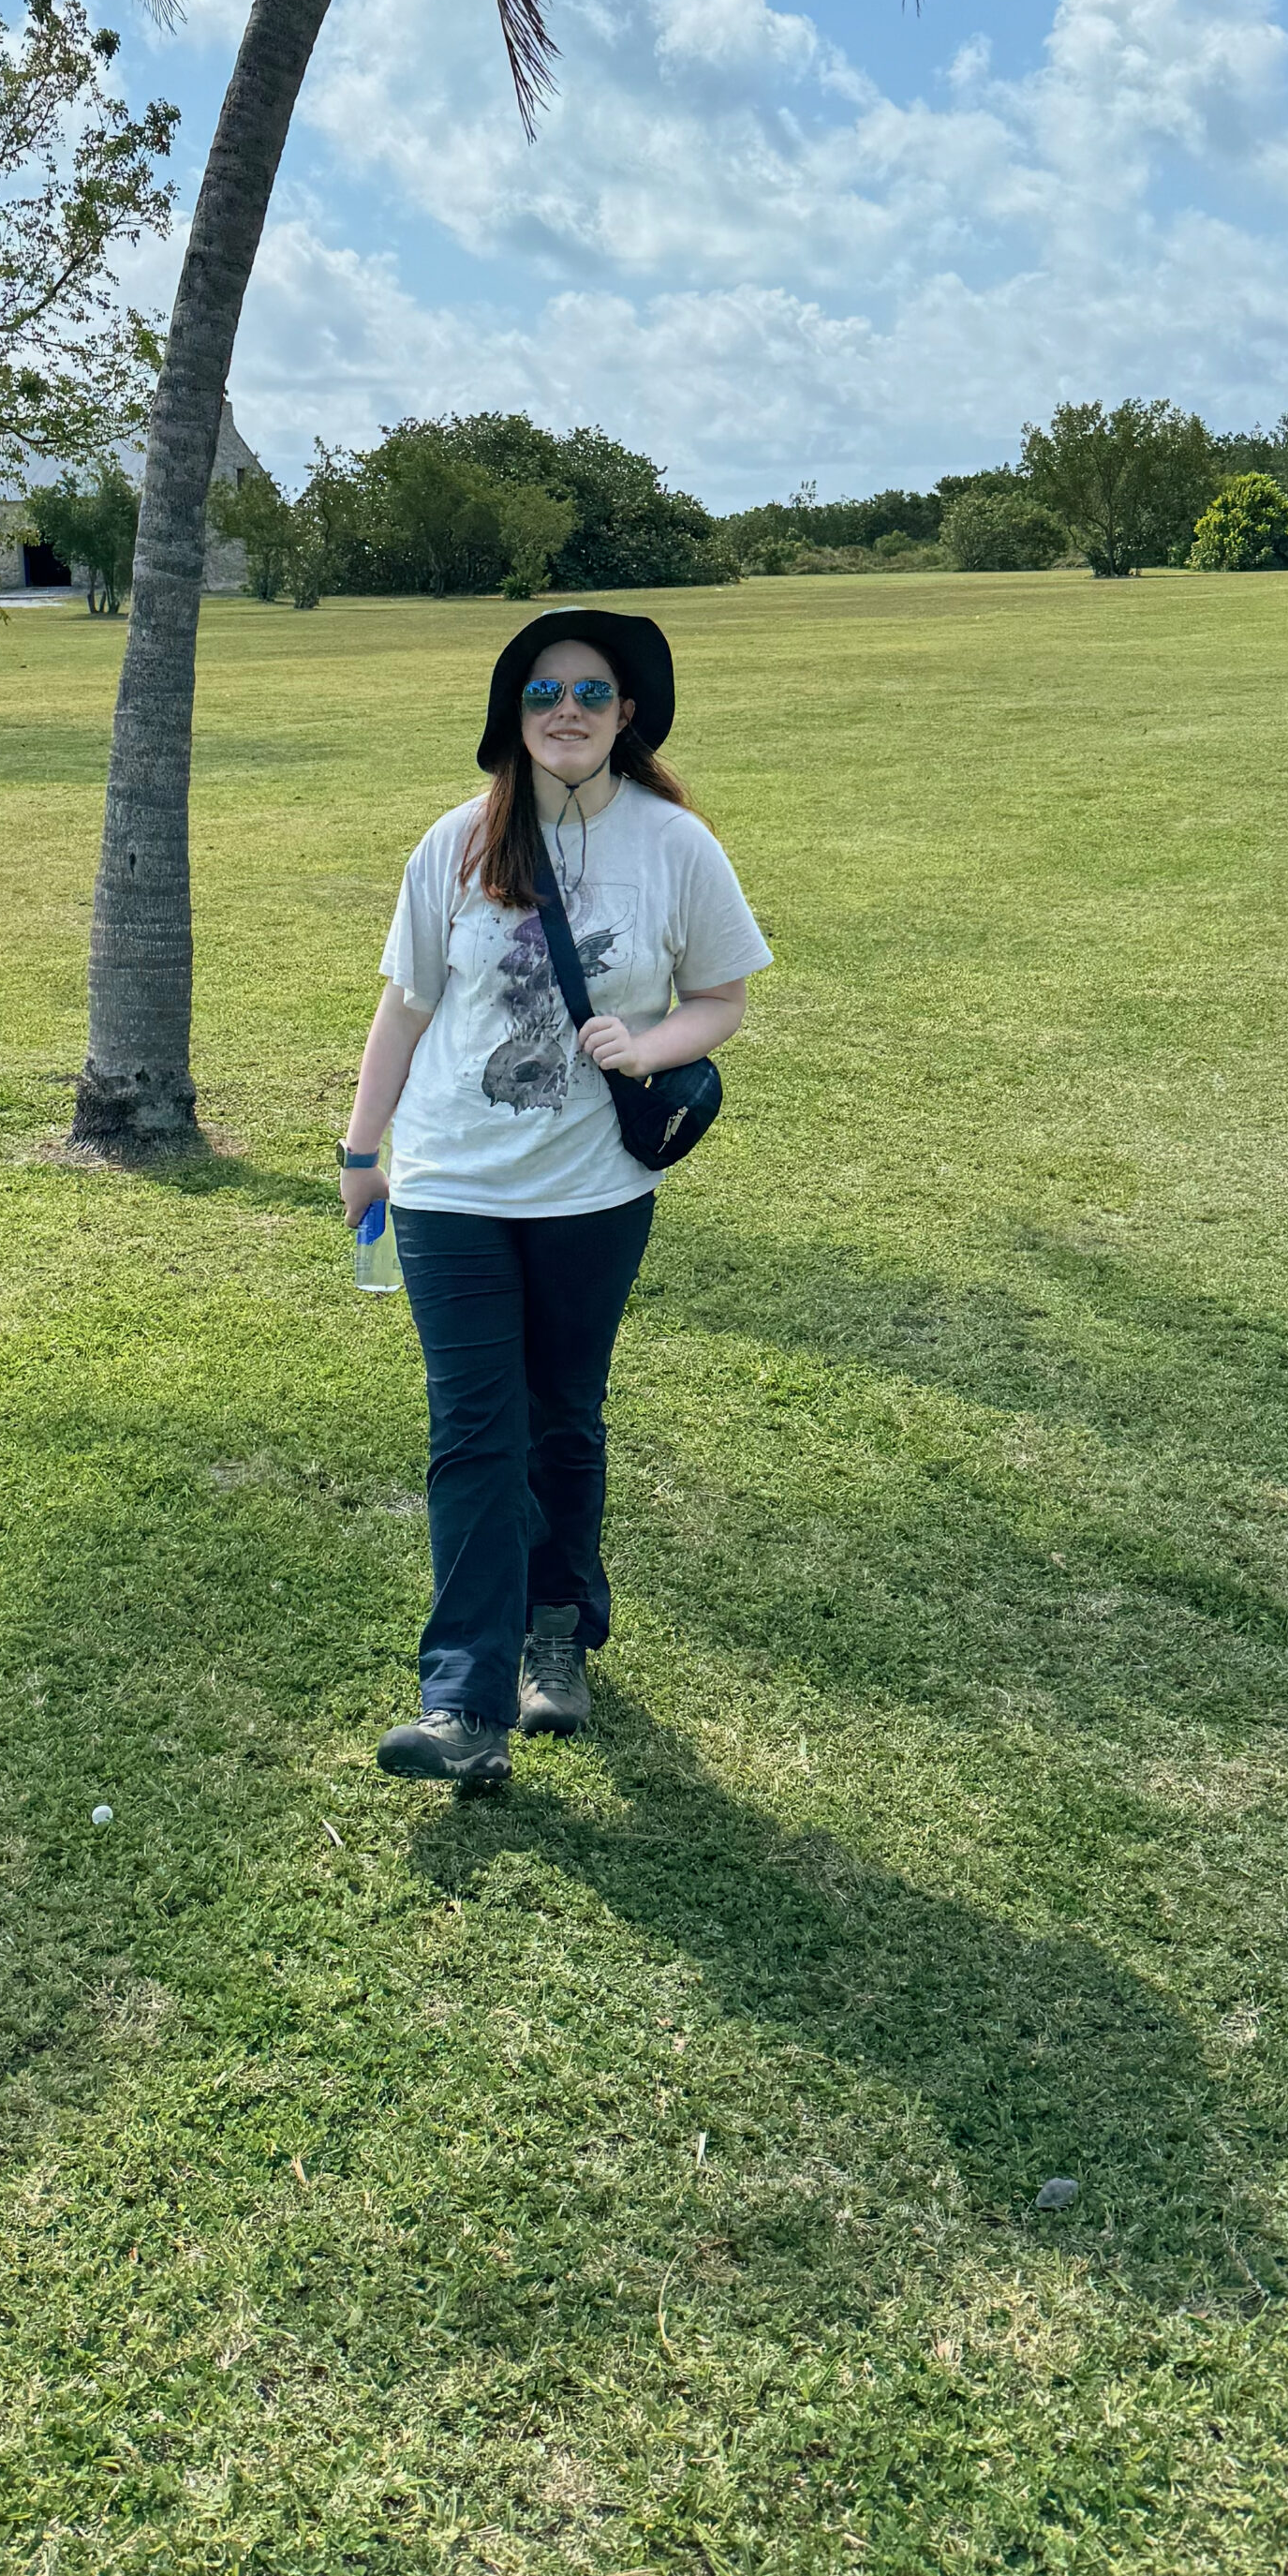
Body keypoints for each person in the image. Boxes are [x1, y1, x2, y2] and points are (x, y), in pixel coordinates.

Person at [337, 607, 772, 1792]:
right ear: (512, 715)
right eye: (542, 693)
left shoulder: (675, 845)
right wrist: (361, 1148)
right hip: (450, 1187)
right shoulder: (456, 843)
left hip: (593, 1190)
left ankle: (558, 1634)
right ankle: (461, 1702)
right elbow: (407, 1007)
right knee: (475, 1431)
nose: (565, 711)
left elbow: (722, 996)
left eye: (590, 692)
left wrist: (650, 1038)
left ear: (627, 713)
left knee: (565, 1419)